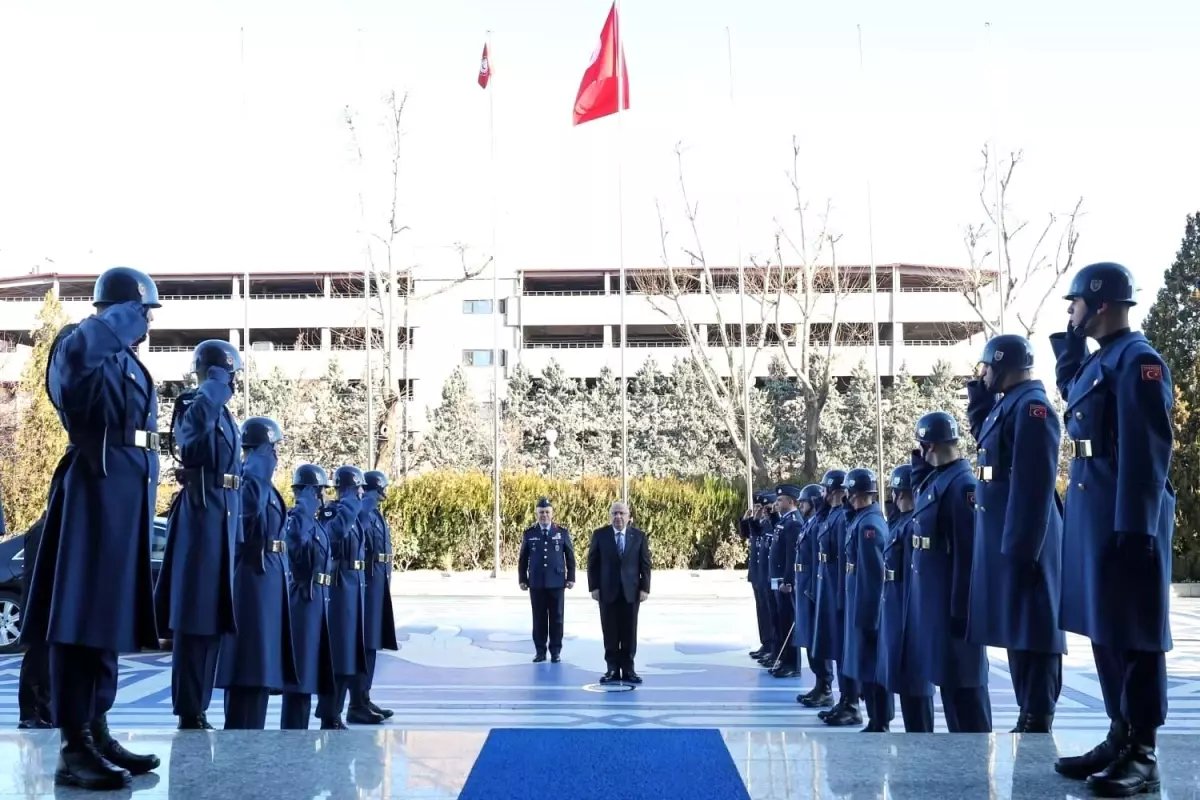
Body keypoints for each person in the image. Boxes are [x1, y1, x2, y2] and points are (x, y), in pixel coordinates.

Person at [22, 267, 162, 789]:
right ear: (121, 309)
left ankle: (97, 730)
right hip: (92, 494)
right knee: (80, 620)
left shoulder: (125, 358)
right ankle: (72, 745)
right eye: (142, 312)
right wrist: (115, 319)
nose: (146, 324)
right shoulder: (79, 342)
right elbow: (76, 369)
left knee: (106, 620)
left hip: (122, 499)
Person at [1050, 262, 1174, 795]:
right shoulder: (1105, 361)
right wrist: (1069, 344)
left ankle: (1142, 752)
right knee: (1107, 629)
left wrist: (1136, 525)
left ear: (1099, 304)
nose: (1070, 312)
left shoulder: (1138, 361)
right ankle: (1118, 733)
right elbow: (1073, 392)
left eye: (1074, 304)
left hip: (1125, 519)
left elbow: (1147, 452)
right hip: (1098, 513)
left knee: (1136, 634)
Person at [966, 334, 1066, 734]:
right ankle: (1029, 711)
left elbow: (1033, 484)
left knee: (1036, 628)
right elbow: (986, 439)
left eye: (986, 367)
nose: (983, 373)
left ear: (1003, 364)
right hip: (1008, 535)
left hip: (1028, 538)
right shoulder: (1008, 405)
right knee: (1019, 627)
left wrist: (1022, 549)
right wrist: (978, 392)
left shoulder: (1033, 408)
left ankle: (1038, 714)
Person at [155, 338, 243, 731]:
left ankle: (199, 706)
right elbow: (188, 449)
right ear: (216, 373)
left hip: (222, 521)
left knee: (214, 620)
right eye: (230, 375)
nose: (234, 383)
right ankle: (190, 709)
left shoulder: (225, 416)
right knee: (195, 620)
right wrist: (207, 391)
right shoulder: (196, 405)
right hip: (201, 519)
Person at [907, 411, 991, 733]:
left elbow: (969, 555)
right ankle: (962, 767)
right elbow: (922, 503)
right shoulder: (939, 480)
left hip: (954, 607)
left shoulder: (962, 486)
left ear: (934, 445)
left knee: (966, 692)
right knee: (951, 689)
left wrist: (962, 608)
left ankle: (974, 768)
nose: (922, 452)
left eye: (924, 446)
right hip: (937, 605)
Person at [215, 416, 298, 729]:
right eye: (273, 448)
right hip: (252, 579)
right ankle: (243, 735)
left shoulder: (257, 476)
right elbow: (248, 509)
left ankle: (251, 732)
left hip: (266, 580)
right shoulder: (250, 473)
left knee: (260, 667)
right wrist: (260, 465)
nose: (276, 454)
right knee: (251, 665)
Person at [877, 465, 935, 733]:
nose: (897, 499)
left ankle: (921, 737)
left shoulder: (914, 525)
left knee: (915, 681)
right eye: (895, 494)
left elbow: (916, 572)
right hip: (895, 604)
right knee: (904, 678)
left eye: (901, 493)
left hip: (909, 607)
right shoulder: (899, 522)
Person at [279, 464, 337, 730]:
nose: (321, 498)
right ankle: (293, 733)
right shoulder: (298, 519)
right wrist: (302, 506)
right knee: (300, 676)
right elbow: (295, 543)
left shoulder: (316, 522)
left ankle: (301, 729)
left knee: (312, 671)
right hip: (302, 601)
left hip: (318, 602)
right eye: (318, 492)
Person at [315, 465, 368, 729]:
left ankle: (337, 710)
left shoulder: (354, 513)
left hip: (353, 588)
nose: (361, 492)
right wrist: (348, 505)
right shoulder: (332, 512)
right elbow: (330, 538)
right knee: (338, 656)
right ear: (348, 488)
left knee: (350, 656)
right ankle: (329, 713)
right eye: (358, 487)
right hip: (338, 590)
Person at [840, 468, 891, 732]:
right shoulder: (862, 519)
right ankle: (875, 717)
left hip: (866, 607)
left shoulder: (869, 525)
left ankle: (879, 719)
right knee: (865, 663)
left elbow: (873, 575)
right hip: (857, 602)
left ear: (854, 494)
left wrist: (868, 617)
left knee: (872, 665)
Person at [349, 470, 398, 722]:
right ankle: (356, 704)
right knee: (364, 644)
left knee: (372, 644)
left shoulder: (376, 514)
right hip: (366, 586)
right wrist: (364, 506)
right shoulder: (363, 512)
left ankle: (365, 698)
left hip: (377, 585)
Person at [810, 469, 859, 726]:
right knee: (836, 648)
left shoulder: (841, 518)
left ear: (833, 491)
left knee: (843, 650)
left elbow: (843, 559)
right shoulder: (831, 515)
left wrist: (841, 597)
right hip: (828, 589)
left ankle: (850, 702)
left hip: (837, 592)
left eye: (825, 490)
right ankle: (843, 699)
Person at [587, 501, 651, 684]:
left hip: (631, 592)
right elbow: (593, 563)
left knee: (629, 632)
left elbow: (645, 564)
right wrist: (594, 587)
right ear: (610, 516)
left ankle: (629, 670)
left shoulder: (639, 536)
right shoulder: (600, 535)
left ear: (629, 516)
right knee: (610, 632)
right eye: (614, 513)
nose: (618, 517)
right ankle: (612, 670)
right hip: (607, 592)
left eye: (622, 513)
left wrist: (645, 588)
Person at [517, 497, 576, 663]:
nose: (544, 515)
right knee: (539, 618)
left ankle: (556, 651)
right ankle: (540, 651)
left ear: (552, 513)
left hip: (557, 582)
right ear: (536, 514)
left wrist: (571, 577)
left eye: (547, 512)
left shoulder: (561, 532)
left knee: (557, 618)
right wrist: (522, 578)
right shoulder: (530, 533)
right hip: (536, 583)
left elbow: (570, 556)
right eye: (541, 512)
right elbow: (523, 559)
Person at [793, 484, 834, 706]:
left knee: (817, 639)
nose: (801, 505)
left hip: (811, 586)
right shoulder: (811, 523)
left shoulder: (819, 523)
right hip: (804, 584)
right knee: (809, 638)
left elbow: (820, 557)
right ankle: (819, 685)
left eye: (804, 501)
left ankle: (825, 686)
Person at [18, 513, 52, 729]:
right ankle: (31, 713)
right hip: (40, 604)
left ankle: (43, 711)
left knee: (44, 660)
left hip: (41, 604)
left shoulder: (43, 528)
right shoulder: (42, 530)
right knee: (39, 659)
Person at [768, 485, 802, 678]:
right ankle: (784, 659)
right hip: (777, 579)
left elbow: (791, 555)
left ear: (791, 501)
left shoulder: (794, 523)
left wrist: (788, 580)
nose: (777, 503)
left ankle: (792, 664)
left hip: (784, 581)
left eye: (781, 500)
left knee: (788, 620)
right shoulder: (784, 521)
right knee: (781, 620)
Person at [740, 493, 773, 662]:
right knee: (761, 611)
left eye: (763, 508)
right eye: (758, 507)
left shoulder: (771, 524)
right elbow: (747, 533)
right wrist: (746, 520)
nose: (760, 511)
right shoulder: (759, 523)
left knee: (769, 612)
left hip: (767, 573)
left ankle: (772, 646)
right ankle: (766, 643)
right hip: (757, 572)